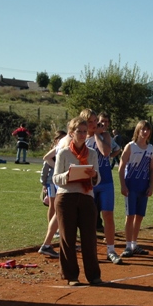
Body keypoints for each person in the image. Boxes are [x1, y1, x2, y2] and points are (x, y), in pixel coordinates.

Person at [53, 117, 102, 286]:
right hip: (66, 197)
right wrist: (68, 175)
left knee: (89, 237)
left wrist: (94, 175)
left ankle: (94, 275)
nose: (82, 134)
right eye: (79, 131)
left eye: (84, 131)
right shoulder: (64, 152)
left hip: (87, 197)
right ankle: (71, 276)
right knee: (68, 238)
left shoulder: (93, 153)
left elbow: (98, 178)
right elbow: (56, 179)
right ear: (71, 133)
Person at [80, 109, 123, 265]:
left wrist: (97, 134)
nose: (94, 124)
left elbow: (105, 152)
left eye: (95, 121)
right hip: (88, 183)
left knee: (108, 215)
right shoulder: (82, 138)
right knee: (88, 218)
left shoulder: (105, 136)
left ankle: (111, 250)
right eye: (90, 122)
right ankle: (90, 250)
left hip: (105, 182)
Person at [118, 120, 153, 257]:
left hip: (143, 186)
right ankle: (128, 246)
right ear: (137, 131)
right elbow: (121, 168)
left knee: (139, 216)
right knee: (130, 216)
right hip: (131, 185)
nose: (145, 132)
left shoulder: (150, 148)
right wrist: (123, 185)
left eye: (147, 130)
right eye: (142, 129)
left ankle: (134, 244)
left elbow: (151, 169)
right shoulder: (130, 147)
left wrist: (151, 186)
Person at [38, 130, 67, 258]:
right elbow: (45, 164)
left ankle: (59, 234)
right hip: (52, 181)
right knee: (55, 207)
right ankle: (53, 233)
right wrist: (43, 183)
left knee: (58, 207)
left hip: (59, 180)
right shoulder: (59, 148)